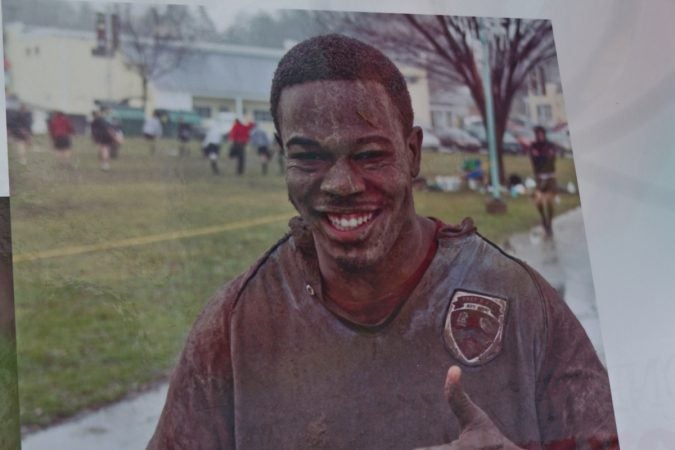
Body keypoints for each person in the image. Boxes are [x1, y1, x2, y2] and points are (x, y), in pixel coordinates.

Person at [149, 35, 618, 450]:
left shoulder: (517, 300)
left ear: (412, 154)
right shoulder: (235, 325)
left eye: (369, 155)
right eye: (309, 157)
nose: (340, 184)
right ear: (284, 159)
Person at [528, 126, 557, 237]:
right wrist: (542, 157)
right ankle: (544, 220)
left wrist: (540, 157)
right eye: (538, 134)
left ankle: (549, 224)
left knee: (549, 202)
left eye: (541, 134)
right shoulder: (533, 147)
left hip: (550, 177)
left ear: (544, 134)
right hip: (539, 178)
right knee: (538, 201)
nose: (540, 136)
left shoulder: (550, 146)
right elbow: (534, 162)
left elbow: (551, 160)